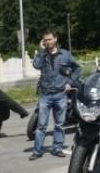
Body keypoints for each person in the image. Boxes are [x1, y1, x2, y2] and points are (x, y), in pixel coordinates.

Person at [30, 29, 81, 160]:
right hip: (45, 94)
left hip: (60, 94)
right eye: (45, 40)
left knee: (59, 124)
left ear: (55, 39)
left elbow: (77, 68)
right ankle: (37, 151)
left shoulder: (65, 55)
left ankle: (57, 148)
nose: (47, 42)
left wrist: (70, 82)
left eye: (49, 39)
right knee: (41, 125)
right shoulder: (43, 55)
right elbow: (36, 65)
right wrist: (41, 51)